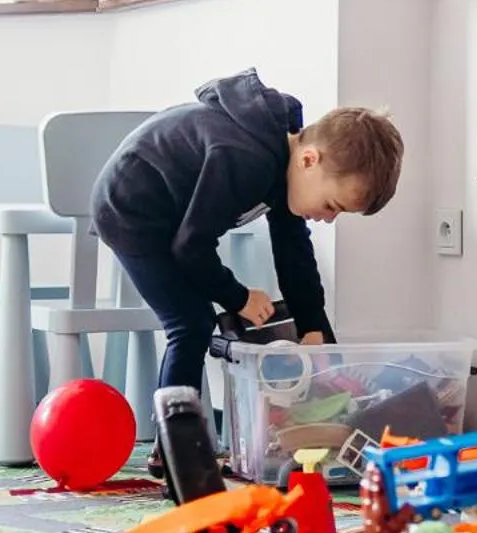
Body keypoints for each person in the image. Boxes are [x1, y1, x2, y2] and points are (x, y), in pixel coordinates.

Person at [91, 69, 403, 475]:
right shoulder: (247, 159)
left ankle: (177, 441)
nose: (327, 219)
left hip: (171, 217)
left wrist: (314, 326)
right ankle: (172, 449)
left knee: (198, 320)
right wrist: (237, 296)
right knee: (190, 325)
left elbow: (294, 252)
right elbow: (191, 246)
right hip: (131, 210)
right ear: (310, 160)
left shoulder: (284, 163)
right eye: (332, 206)